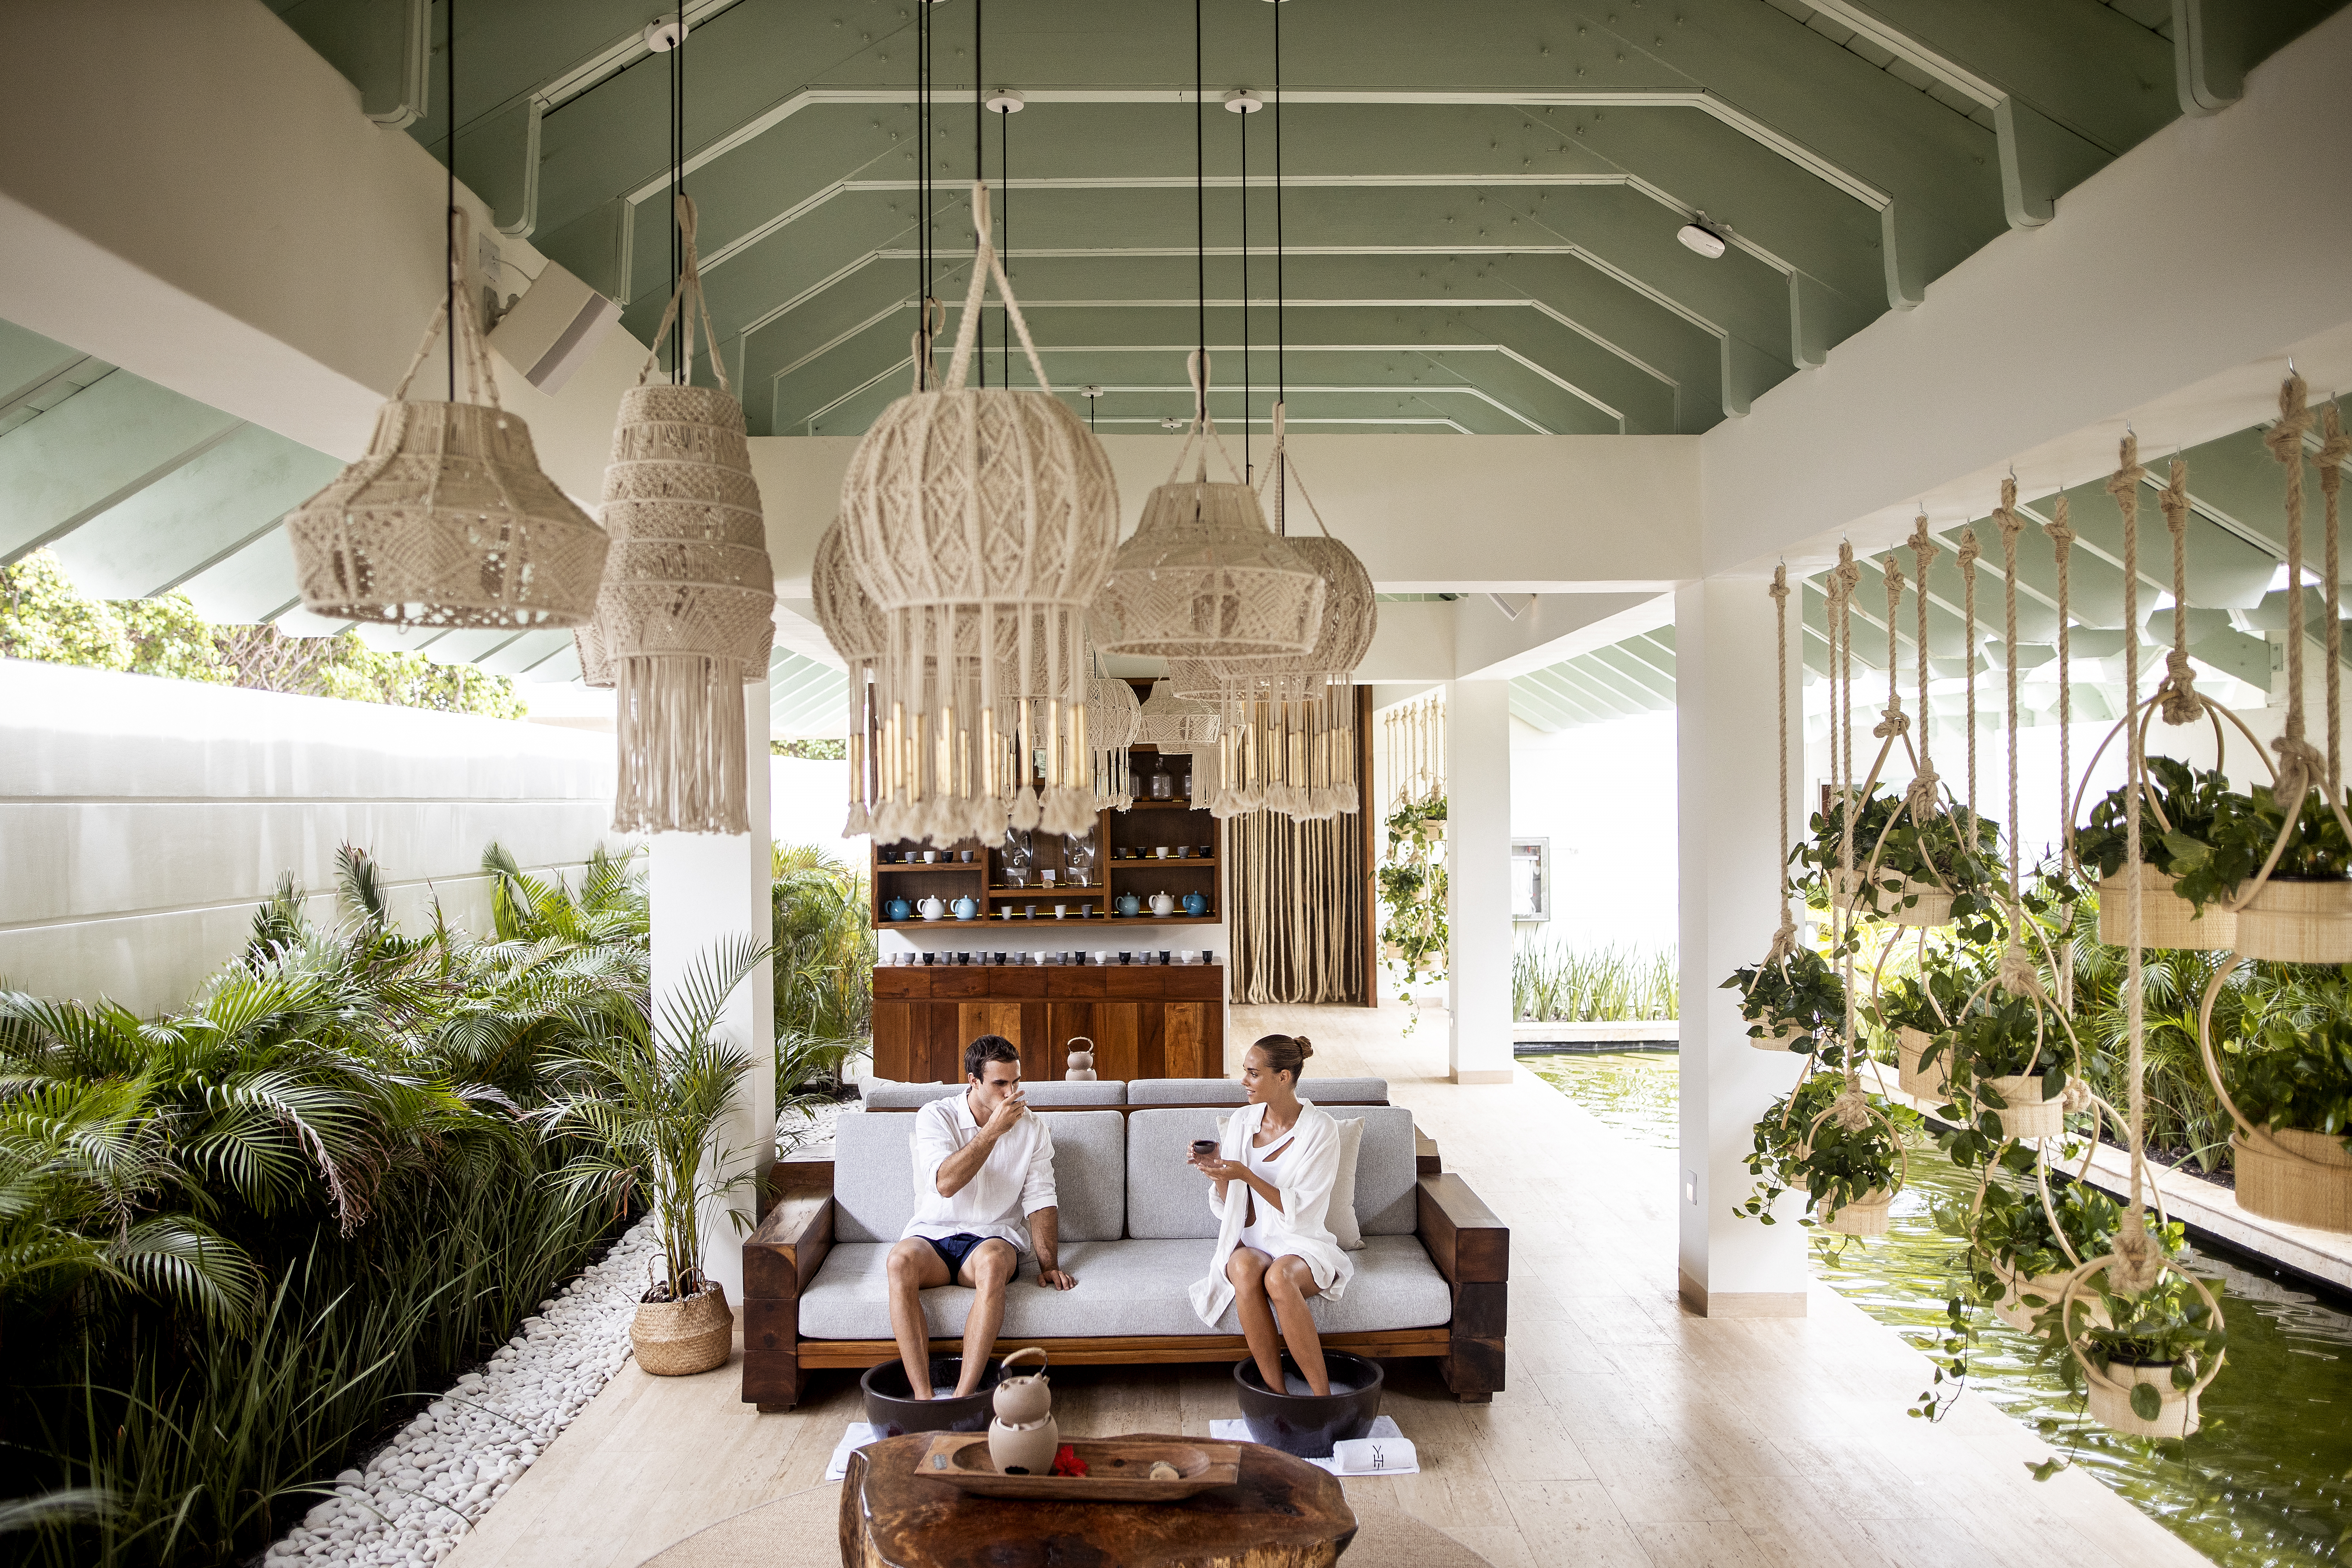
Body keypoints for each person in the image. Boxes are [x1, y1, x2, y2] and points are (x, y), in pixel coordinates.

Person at [885, 1035, 1077, 1400]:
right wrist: (992, 1131)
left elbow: (1041, 1197)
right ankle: (924, 1398)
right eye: (1000, 1083)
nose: (1011, 1093)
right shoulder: (936, 1116)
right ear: (973, 1081)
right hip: (933, 1235)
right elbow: (945, 1183)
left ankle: (962, 1398)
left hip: (990, 1239)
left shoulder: (1032, 1127)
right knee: (898, 1262)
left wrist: (1050, 1264)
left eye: (1016, 1082)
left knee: (993, 1264)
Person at [1186, 1033, 1354, 1397]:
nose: (1243, 1081)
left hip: (1301, 1242)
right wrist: (1217, 1171)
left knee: (1279, 1278)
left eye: (1253, 1073)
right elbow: (1237, 1208)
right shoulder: (1242, 1121)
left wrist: (1247, 1174)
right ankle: (1278, 1398)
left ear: (1283, 1077)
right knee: (1244, 1268)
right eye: (1245, 1072)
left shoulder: (1320, 1129)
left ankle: (1323, 1399)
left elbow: (1303, 1208)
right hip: (1253, 1240)